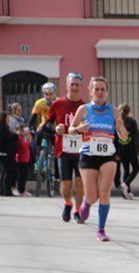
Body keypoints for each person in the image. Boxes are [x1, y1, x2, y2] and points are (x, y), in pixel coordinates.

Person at [70, 76, 127, 242]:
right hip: (88, 155)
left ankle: (101, 230)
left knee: (104, 193)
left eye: (103, 89)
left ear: (107, 92)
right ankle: (87, 203)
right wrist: (79, 129)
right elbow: (71, 130)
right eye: (97, 89)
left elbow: (124, 138)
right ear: (91, 92)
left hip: (108, 156)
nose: (100, 92)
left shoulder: (114, 111)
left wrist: (121, 127)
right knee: (93, 195)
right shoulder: (84, 109)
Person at [48, 73, 86, 223]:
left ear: (81, 87)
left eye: (77, 85)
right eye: (72, 84)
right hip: (62, 149)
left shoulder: (85, 107)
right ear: (67, 86)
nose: (75, 87)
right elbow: (47, 124)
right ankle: (68, 204)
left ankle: (77, 211)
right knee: (66, 183)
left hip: (81, 150)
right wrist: (54, 128)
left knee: (79, 182)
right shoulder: (57, 104)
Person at [113, 103, 139, 199]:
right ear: (129, 112)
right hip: (131, 150)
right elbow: (136, 136)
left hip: (121, 151)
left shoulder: (117, 122)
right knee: (136, 168)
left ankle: (127, 192)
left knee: (126, 170)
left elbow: (115, 138)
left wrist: (116, 152)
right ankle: (126, 184)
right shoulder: (132, 122)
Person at [0, 111, 17, 197]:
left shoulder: (2, 128)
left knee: (5, 172)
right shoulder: (0, 128)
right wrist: (15, 135)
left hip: (5, 153)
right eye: (7, 118)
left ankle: (1, 190)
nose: (8, 120)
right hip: (4, 153)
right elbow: (6, 138)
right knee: (8, 171)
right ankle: (6, 190)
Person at [15, 125, 32, 196]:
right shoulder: (19, 137)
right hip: (20, 159)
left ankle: (22, 190)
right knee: (21, 176)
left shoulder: (23, 137)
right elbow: (23, 146)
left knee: (24, 176)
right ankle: (20, 190)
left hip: (25, 159)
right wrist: (28, 140)